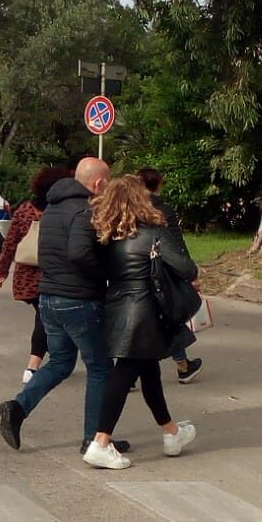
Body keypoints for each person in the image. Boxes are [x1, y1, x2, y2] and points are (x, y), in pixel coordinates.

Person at [0, 156, 127, 457]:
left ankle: (17, 408)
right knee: (100, 368)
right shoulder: (85, 209)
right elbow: (81, 254)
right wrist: (106, 274)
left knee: (60, 362)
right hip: (79, 299)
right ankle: (94, 440)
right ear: (99, 183)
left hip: (49, 297)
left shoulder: (52, 208)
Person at [78, 175, 199, 470]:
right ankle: (101, 442)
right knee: (125, 373)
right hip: (146, 310)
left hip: (118, 307)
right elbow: (186, 268)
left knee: (149, 371)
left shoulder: (106, 235)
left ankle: (171, 433)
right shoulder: (154, 232)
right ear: (139, 200)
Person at [0, 164, 70, 384]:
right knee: (46, 319)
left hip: (26, 277)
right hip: (54, 274)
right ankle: (33, 366)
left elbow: (10, 243)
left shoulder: (25, 209)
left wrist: (2, 271)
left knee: (47, 317)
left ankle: (54, 360)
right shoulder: (63, 210)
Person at [136, 167, 202, 384]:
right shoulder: (163, 210)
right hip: (161, 272)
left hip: (134, 271)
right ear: (158, 184)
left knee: (141, 321)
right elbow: (175, 243)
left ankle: (128, 375)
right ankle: (182, 365)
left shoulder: (127, 209)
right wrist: (189, 272)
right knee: (168, 317)